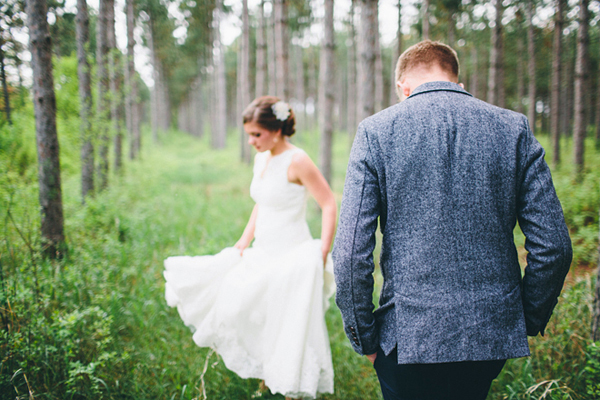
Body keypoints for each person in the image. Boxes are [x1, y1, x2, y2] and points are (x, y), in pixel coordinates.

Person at [332, 40, 572, 400]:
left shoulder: (376, 131)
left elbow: (350, 254)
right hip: (488, 335)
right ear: (457, 80)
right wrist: (525, 318)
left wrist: (364, 337)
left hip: (407, 336)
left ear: (403, 87)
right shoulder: (513, 128)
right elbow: (553, 247)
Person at [163, 96, 337, 400]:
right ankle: (268, 375)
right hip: (264, 250)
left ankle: (292, 388)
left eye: (256, 134)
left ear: (277, 129)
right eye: (248, 135)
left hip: (293, 253)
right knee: (247, 306)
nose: (251, 142)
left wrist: (322, 250)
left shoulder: (298, 160)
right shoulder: (262, 159)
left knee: (290, 321)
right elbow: (262, 204)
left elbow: (328, 203)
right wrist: (244, 240)